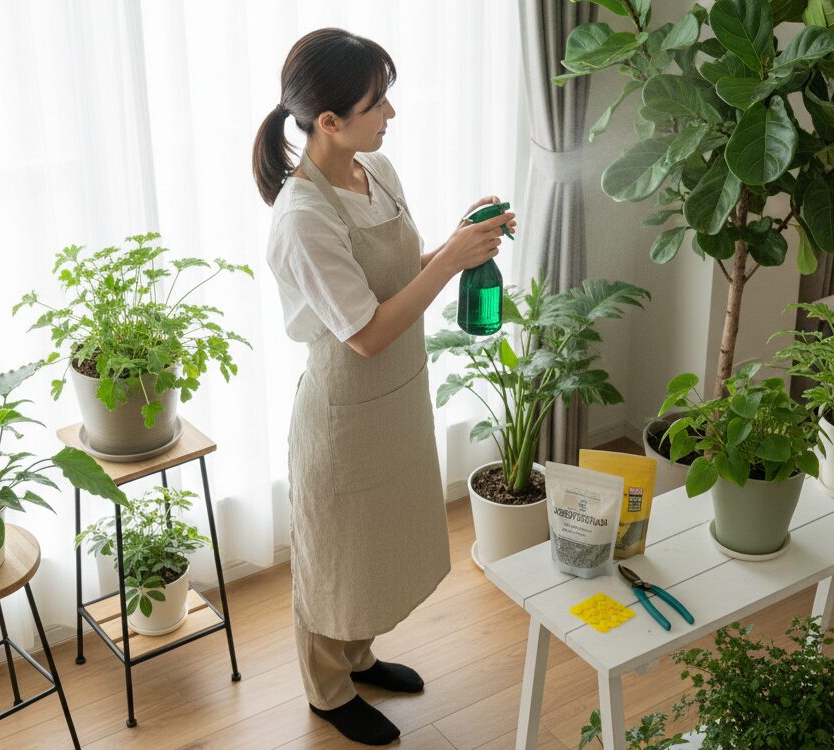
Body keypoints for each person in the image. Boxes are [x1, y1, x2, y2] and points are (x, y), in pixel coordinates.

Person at [252, 28, 517, 746]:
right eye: (377, 103)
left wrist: (464, 240)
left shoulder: (377, 170)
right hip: (344, 408)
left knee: (374, 545)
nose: (391, 114)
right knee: (336, 550)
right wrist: (452, 258)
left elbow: (401, 278)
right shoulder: (303, 217)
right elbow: (365, 331)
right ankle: (326, 691)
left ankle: (359, 657)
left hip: (398, 394)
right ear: (330, 122)